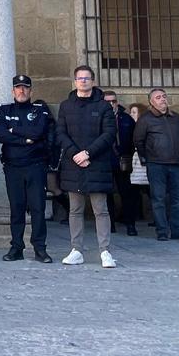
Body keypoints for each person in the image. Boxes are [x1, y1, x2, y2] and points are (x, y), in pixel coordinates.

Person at [56, 65, 117, 268]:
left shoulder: (103, 106)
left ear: (93, 81)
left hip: (96, 162)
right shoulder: (66, 106)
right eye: (79, 78)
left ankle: (105, 251)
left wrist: (88, 153)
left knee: (101, 210)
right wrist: (76, 154)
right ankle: (76, 250)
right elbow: (61, 133)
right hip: (74, 163)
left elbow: (109, 134)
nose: (83, 81)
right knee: (75, 209)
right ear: (75, 81)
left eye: (87, 78)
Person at [0, 74, 55, 263]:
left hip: (36, 166)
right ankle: (16, 247)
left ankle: (40, 248)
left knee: (38, 208)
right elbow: (1, 135)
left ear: (31, 91)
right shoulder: (5, 110)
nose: (22, 91)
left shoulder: (40, 110)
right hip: (13, 168)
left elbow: (38, 132)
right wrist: (25, 139)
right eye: (18, 88)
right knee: (17, 209)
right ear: (13, 91)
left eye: (25, 88)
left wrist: (15, 130)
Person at [133, 87, 179, 242]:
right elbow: (138, 140)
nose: (162, 100)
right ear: (151, 102)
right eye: (158, 97)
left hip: (175, 163)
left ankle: (178, 231)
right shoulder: (145, 119)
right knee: (158, 198)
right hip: (156, 164)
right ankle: (161, 231)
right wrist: (145, 158)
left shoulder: (176, 117)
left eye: (164, 96)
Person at [104, 90, 140, 236]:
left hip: (123, 161)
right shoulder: (99, 118)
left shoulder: (126, 119)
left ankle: (130, 224)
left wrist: (130, 156)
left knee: (127, 194)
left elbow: (134, 139)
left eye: (113, 101)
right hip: (105, 161)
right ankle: (110, 224)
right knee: (106, 195)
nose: (111, 104)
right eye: (107, 102)